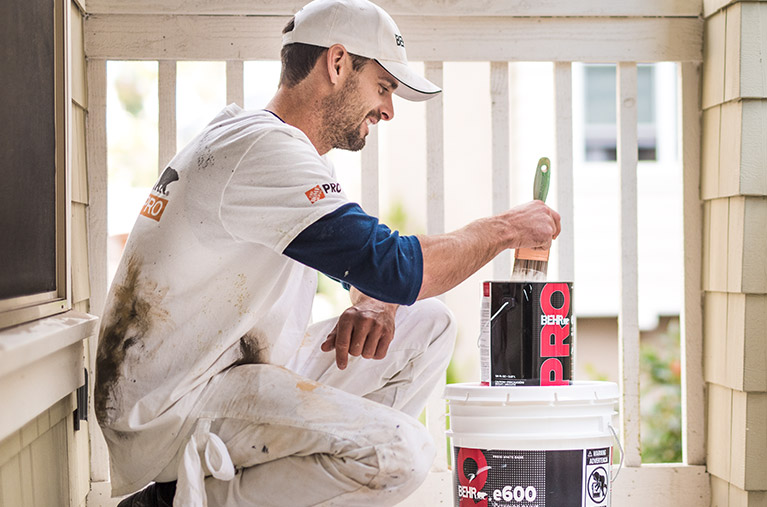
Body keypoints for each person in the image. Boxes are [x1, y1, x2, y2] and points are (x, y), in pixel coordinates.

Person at [97, 0, 561, 505]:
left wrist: (375, 300)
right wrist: (506, 228)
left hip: (229, 370)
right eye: (383, 87)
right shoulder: (263, 152)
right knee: (402, 454)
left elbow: (369, 269)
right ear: (337, 64)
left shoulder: (271, 148)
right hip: (171, 407)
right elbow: (396, 265)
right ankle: (179, 501)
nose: (388, 109)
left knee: (428, 322)